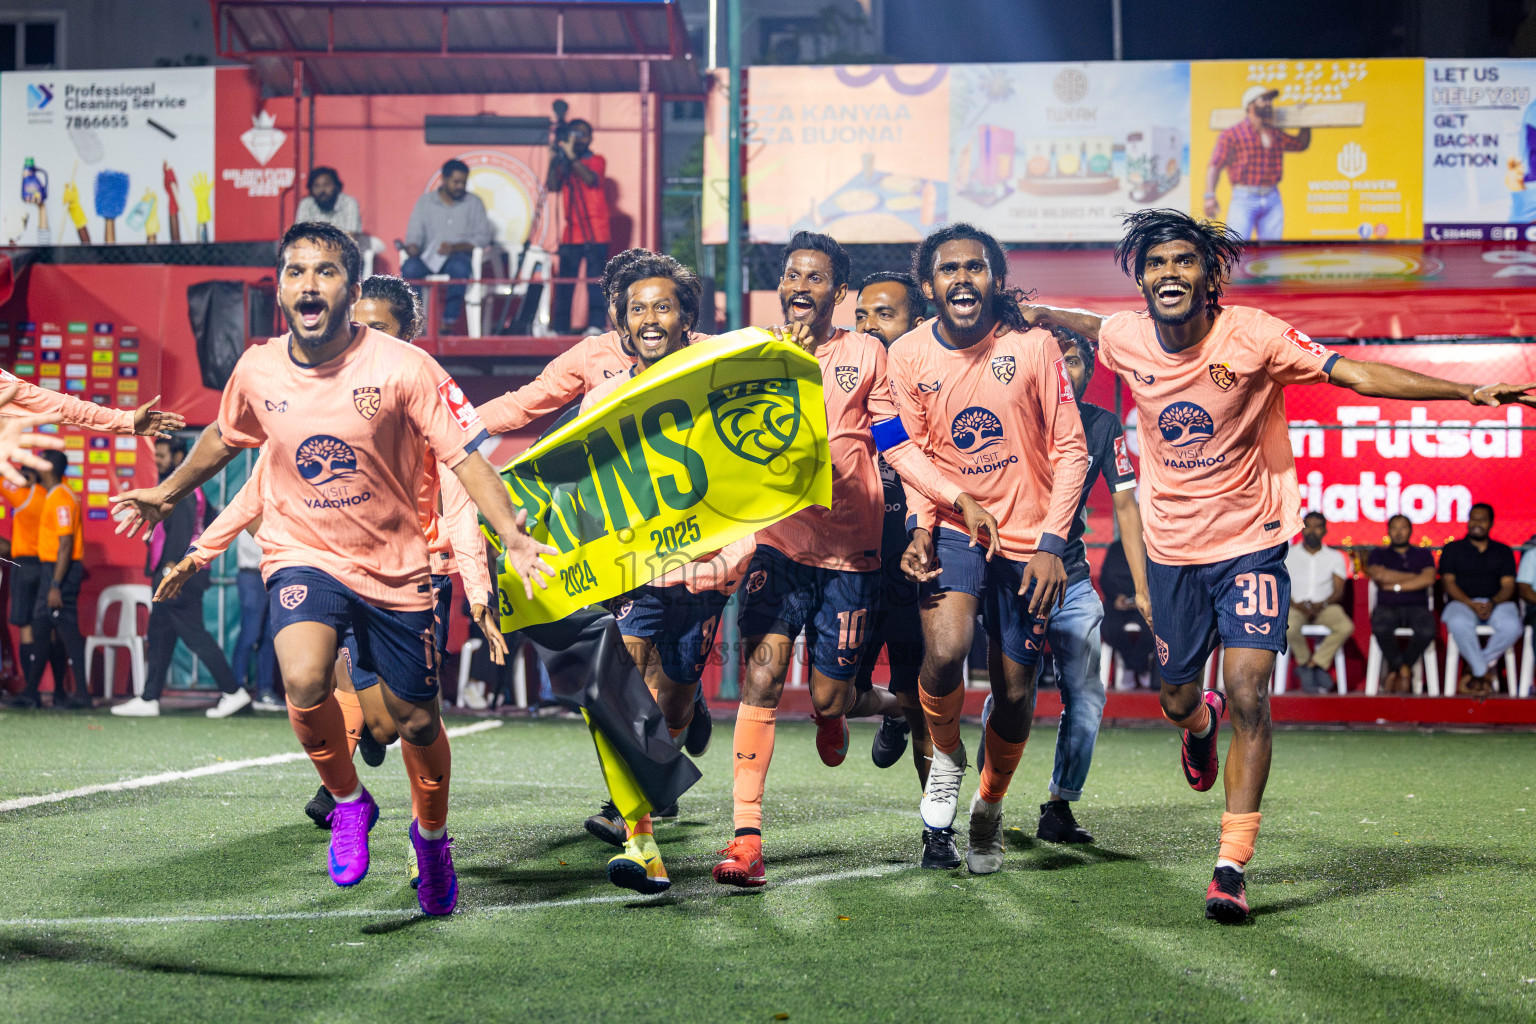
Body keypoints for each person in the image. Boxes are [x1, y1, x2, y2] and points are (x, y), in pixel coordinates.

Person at [1024, 207, 1534, 923]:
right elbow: (1089, 323)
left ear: (1210, 276)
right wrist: (1039, 311)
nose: (1169, 272)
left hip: (1252, 543)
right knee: (1178, 699)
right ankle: (1198, 726)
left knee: (1249, 691)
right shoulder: (1127, 337)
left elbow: (1357, 373)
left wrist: (1466, 391)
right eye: (1156, 263)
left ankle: (1231, 866)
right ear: (1141, 280)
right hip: (1172, 551)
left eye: (1184, 260)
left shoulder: (1255, 335)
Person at [111, 222, 554, 917]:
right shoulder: (258, 369)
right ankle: (350, 802)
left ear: (349, 288)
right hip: (304, 553)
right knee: (303, 676)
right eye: (295, 271)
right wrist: (168, 495)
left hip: (396, 566)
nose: (309, 284)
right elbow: (226, 438)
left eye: (325, 271)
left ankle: (431, 840)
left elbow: (468, 460)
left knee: (413, 723)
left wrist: (511, 537)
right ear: (280, 288)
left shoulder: (404, 368)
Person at [713, 230, 999, 890]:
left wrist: (952, 496)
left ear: (837, 292)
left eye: (816, 278)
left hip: (852, 553)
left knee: (830, 695)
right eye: (792, 275)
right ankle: (747, 840)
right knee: (762, 676)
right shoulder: (752, 352)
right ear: (780, 285)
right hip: (779, 542)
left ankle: (860, 712)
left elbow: (894, 439)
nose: (801, 286)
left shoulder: (865, 353)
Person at [883, 223, 1090, 876]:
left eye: (975, 267)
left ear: (995, 279)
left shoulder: (1033, 346)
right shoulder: (907, 354)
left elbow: (1072, 450)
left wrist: (1053, 545)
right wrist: (925, 520)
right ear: (929, 286)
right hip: (956, 525)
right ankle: (946, 761)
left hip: (1030, 541)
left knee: (1015, 692)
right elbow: (904, 447)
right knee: (946, 650)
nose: (962, 278)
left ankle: (990, 805)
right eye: (949, 269)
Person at [581, 252, 746, 894]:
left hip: (703, 576)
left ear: (686, 318)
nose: (650, 318)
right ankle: (641, 844)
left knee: (670, 706)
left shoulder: (720, 384)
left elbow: (746, 477)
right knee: (621, 693)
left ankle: (679, 730)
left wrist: (737, 550)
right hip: (635, 572)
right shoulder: (604, 397)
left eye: (663, 307)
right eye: (637, 309)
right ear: (623, 323)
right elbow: (583, 485)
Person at [1009, 323, 1148, 845]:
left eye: (1074, 362)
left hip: (1071, 577)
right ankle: (987, 797)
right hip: (1013, 574)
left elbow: (1126, 506)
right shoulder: (1013, 413)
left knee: (1087, 694)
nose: (1064, 371)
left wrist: (1143, 588)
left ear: (1089, 373)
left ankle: (1060, 804)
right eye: (1056, 360)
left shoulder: (1103, 425)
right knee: (1010, 692)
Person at [851, 271, 932, 785]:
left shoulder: (931, 386)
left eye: (885, 314)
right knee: (835, 697)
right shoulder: (840, 384)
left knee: (921, 693)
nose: (869, 326)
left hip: (913, 560)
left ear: (916, 324)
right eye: (861, 315)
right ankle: (894, 711)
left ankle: (937, 820)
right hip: (851, 563)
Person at [111, 437, 247, 718]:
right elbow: (206, 523)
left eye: (161, 455)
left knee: (194, 635)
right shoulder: (195, 491)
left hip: (179, 576)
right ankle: (149, 698)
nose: (157, 460)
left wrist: (171, 573)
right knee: (160, 635)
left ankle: (234, 692)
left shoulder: (181, 491)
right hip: (184, 572)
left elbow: (182, 534)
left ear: (177, 457)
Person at [10, 450, 89, 708]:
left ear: (47, 467)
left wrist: (55, 584)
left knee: (68, 632)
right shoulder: (54, 495)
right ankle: (31, 693)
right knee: (42, 630)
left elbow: (65, 544)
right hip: (51, 569)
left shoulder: (61, 497)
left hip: (59, 572)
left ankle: (82, 695)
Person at [1204, 86, 1310, 241]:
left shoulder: (1274, 133)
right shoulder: (1232, 134)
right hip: (1244, 199)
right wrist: (1209, 196)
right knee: (1235, 247)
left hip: (1272, 197)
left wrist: (1305, 119)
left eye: (1270, 100)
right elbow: (1215, 165)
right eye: (1264, 99)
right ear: (1250, 105)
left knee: (1272, 250)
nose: (1269, 103)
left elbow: (1301, 144)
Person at [402, 159, 495, 332]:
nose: (460, 186)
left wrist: (454, 248)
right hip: (428, 257)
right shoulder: (425, 202)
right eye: (456, 182)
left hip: (458, 256)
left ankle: (448, 322)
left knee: (460, 268)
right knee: (410, 269)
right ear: (444, 180)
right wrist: (413, 246)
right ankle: (416, 321)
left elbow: (483, 237)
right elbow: (414, 234)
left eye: (463, 182)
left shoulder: (474, 203)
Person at [1439, 503, 1521, 698]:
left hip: (1496, 603)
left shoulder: (1503, 551)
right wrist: (1470, 604)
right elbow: (1448, 583)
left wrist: (1492, 603)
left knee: (1512, 626)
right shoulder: (1453, 549)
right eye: (1473, 519)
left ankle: (1475, 669)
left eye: (1482, 520)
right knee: (1457, 622)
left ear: (1491, 523)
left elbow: (1508, 585)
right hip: (1463, 603)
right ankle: (1482, 671)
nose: (1476, 523)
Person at [546, 119, 612, 335]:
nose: (579, 138)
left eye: (583, 134)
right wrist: (554, 158)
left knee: (595, 280)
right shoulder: (565, 164)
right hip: (571, 231)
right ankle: (560, 326)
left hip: (596, 231)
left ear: (591, 138)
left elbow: (590, 179)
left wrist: (570, 155)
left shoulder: (597, 160)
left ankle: (596, 324)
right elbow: (552, 185)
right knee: (565, 282)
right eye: (574, 133)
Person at [1365, 514, 1437, 694]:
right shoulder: (1378, 554)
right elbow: (1379, 575)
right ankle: (1403, 669)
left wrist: (1394, 585)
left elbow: (1428, 579)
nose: (1398, 532)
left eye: (1403, 527)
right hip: (1387, 606)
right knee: (1381, 627)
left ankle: (1397, 668)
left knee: (1427, 630)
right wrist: (1415, 577)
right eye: (1394, 528)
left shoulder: (1423, 554)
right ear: (1388, 531)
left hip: (1417, 607)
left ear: (1411, 530)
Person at [1284, 511, 1355, 694]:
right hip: (1295, 606)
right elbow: (1281, 586)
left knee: (1345, 626)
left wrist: (1321, 605)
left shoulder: (1335, 557)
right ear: (1301, 529)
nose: (1312, 531)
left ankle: (1314, 665)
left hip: (1325, 606)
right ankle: (1305, 661)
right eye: (1308, 526)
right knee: (1287, 626)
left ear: (1324, 530)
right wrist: (1296, 605)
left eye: (1317, 527)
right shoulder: (1289, 554)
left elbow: (1338, 591)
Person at [2, 467, 46, 692]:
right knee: (46, 630)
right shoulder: (49, 495)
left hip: (25, 566)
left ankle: (31, 691)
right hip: (46, 566)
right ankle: (50, 691)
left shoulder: (24, 495)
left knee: (26, 629)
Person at [233, 529, 281, 710]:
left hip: (274, 574)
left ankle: (264, 692)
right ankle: (235, 690)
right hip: (252, 574)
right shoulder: (250, 511)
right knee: (250, 634)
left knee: (270, 635)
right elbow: (253, 547)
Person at [1100, 538, 1155, 686]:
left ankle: (1138, 665)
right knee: (1110, 627)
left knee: (1153, 626)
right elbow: (1106, 578)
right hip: (1118, 601)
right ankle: (1131, 664)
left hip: (1147, 602)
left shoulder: (1153, 547)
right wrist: (1117, 596)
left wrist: (1143, 598)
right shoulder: (1116, 548)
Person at [294, 167, 362, 239]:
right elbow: (300, 235)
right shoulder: (306, 204)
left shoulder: (349, 203)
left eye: (326, 185)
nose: (322, 190)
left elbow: (351, 237)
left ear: (337, 186)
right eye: (316, 186)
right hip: (316, 246)